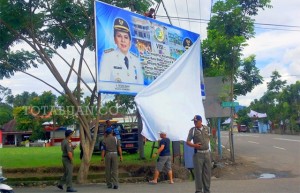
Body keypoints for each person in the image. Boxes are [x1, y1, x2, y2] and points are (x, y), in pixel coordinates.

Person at [100, 18, 144, 84]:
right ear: (115, 39)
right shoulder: (108, 57)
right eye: (119, 36)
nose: (123, 40)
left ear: (130, 42)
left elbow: (140, 84)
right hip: (115, 94)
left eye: (126, 37)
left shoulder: (136, 59)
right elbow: (103, 83)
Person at [186, 115, 211, 193]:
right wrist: (194, 145)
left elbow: (209, 137)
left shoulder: (207, 128)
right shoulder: (192, 130)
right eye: (194, 121)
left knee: (207, 174)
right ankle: (199, 191)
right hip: (198, 155)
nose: (195, 123)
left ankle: (207, 190)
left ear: (201, 121)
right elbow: (188, 142)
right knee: (198, 174)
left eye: (196, 121)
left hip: (207, 154)